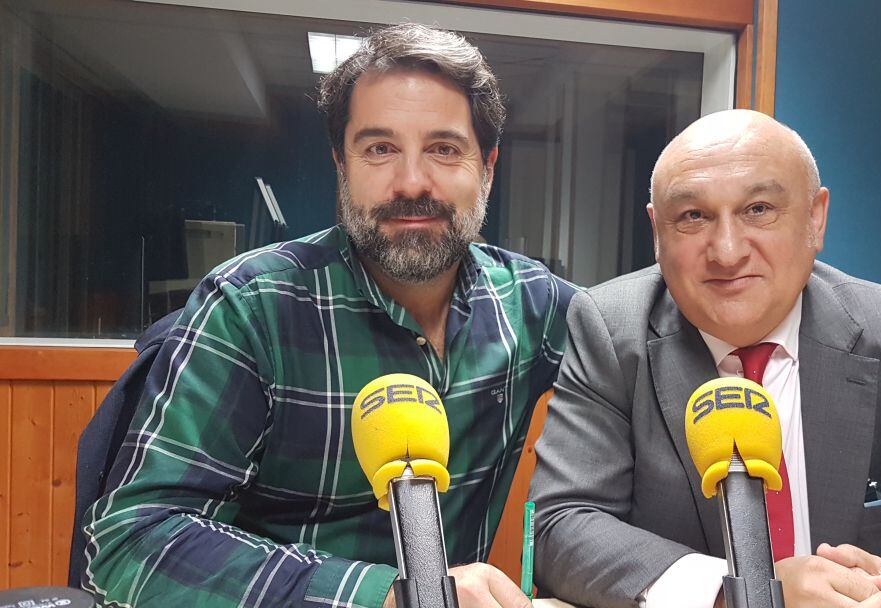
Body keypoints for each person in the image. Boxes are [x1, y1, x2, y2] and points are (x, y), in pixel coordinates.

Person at [83, 24, 574, 608]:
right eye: (379, 148)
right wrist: (390, 597)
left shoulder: (532, 304)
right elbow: (130, 542)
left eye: (444, 149)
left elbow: (640, 332)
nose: (412, 182)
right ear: (342, 164)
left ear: (487, 167)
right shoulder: (252, 304)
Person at [529, 110, 881, 608]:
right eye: (693, 216)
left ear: (815, 218)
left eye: (759, 209)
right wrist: (745, 593)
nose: (726, 252)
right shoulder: (610, 332)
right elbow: (563, 524)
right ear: (657, 232)